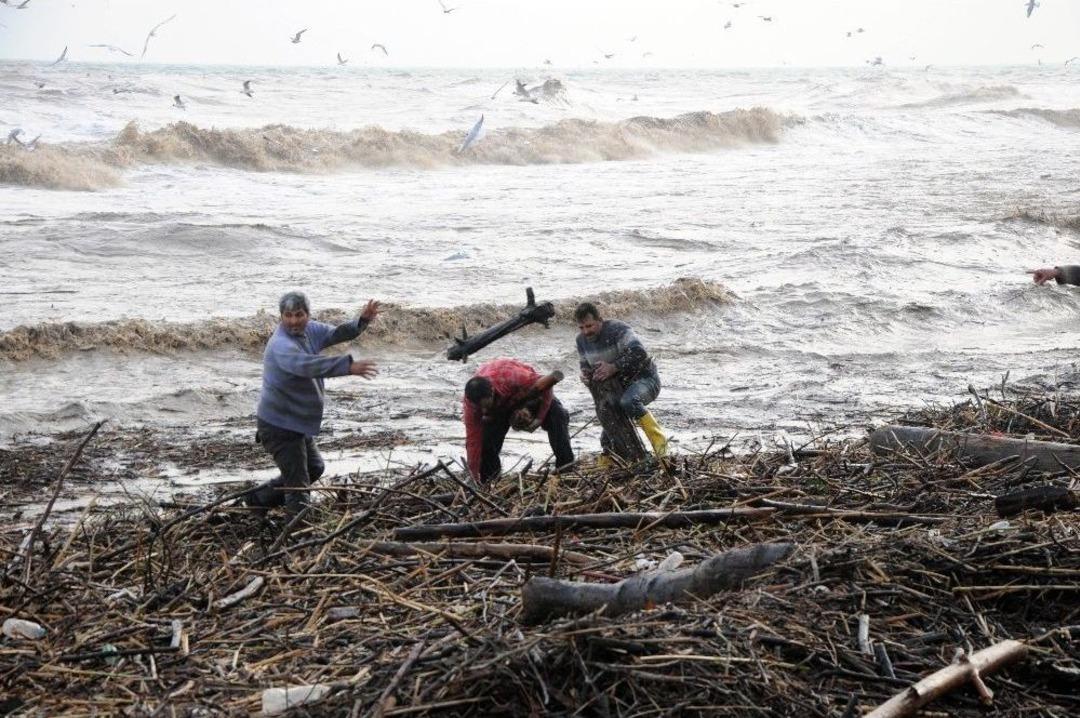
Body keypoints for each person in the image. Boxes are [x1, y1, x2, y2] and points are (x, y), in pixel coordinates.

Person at [247, 291, 379, 515]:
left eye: (299, 315)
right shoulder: (281, 345)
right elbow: (307, 365)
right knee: (298, 486)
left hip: (295, 422)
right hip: (279, 425)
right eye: (288, 315)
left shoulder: (310, 331)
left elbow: (336, 334)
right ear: (281, 317)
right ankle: (296, 534)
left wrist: (362, 321)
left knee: (314, 467)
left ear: (307, 314)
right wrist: (347, 367)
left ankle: (259, 499)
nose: (294, 321)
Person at [575, 302, 668, 458]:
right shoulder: (580, 341)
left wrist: (614, 367)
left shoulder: (618, 329)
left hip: (645, 379)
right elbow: (585, 364)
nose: (586, 332)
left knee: (629, 401)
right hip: (617, 389)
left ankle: (661, 443)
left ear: (600, 320)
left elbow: (640, 352)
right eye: (582, 328)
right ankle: (613, 461)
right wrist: (585, 375)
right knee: (608, 429)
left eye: (590, 326)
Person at [463, 358, 574, 482]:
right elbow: (473, 441)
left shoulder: (512, 376)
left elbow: (545, 385)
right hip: (497, 411)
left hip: (525, 396)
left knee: (557, 415)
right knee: (486, 444)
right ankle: (490, 483)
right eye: (480, 408)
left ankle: (565, 470)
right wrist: (472, 474)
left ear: (492, 391)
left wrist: (539, 418)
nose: (483, 412)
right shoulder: (471, 405)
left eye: (485, 406)